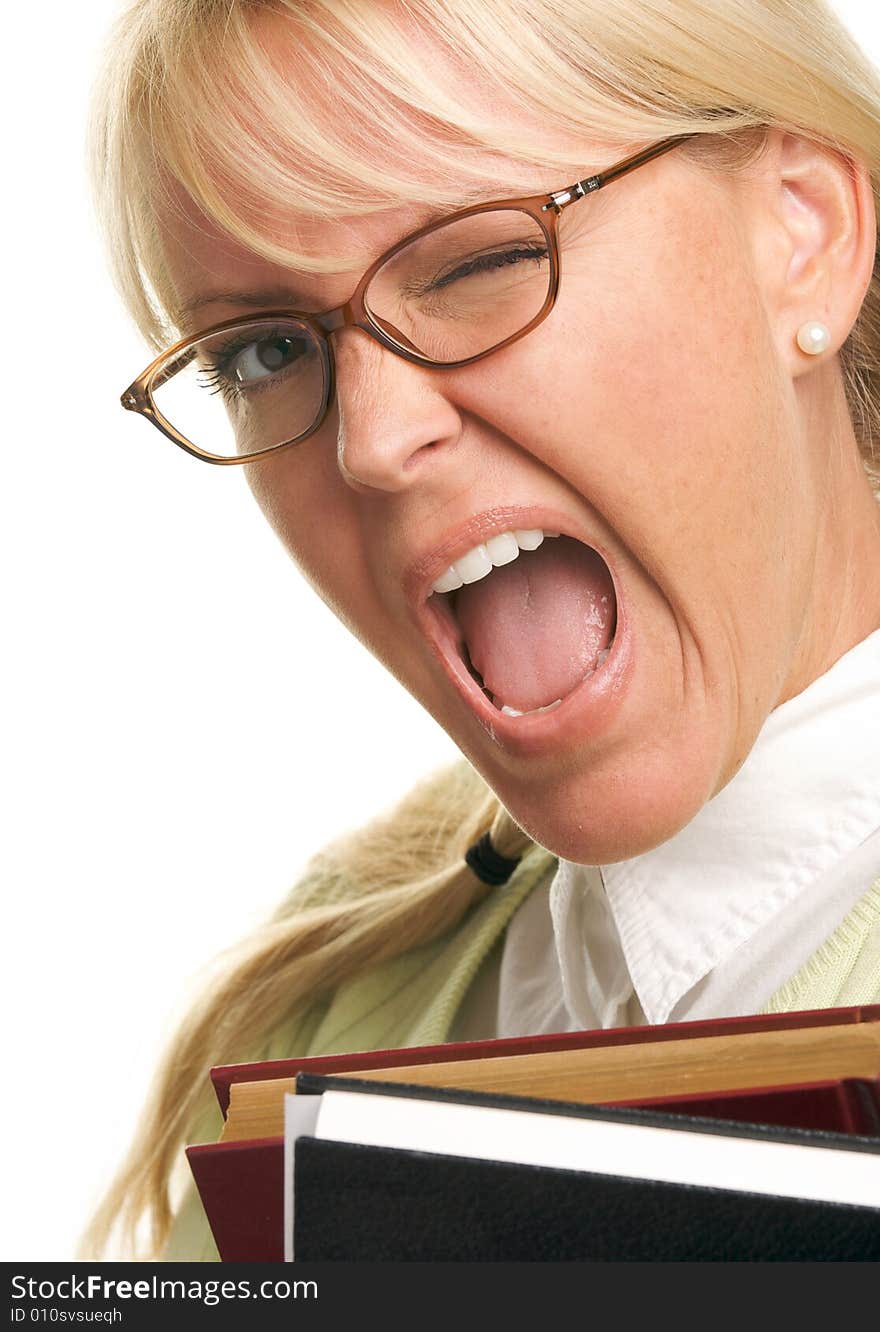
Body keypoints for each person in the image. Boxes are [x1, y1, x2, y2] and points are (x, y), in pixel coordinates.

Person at [82, 0, 880, 1260]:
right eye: (267, 350)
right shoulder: (326, 1012)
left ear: (803, 233)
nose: (374, 442)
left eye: (474, 261)